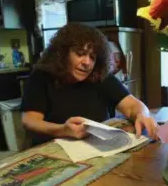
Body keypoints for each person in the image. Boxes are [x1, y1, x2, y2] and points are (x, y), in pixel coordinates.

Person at [21, 23, 158, 146]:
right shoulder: (41, 76)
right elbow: (30, 121)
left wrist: (143, 114)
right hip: (52, 148)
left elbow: (132, 105)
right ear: (62, 54)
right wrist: (62, 130)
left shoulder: (100, 76)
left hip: (96, 149)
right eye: (80, 54)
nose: (87, 62)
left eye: (92, 57)